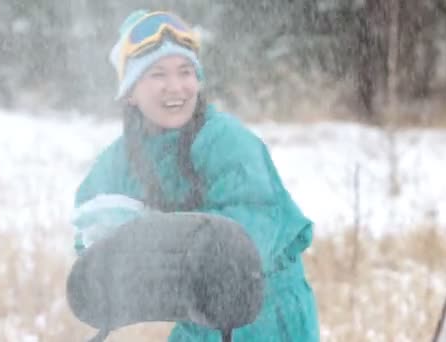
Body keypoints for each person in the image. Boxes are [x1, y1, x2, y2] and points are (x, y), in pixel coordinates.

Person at [72, 9, 320, 342]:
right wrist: (108, 251)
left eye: (185, 72)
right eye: (157, 74)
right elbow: (89, 231)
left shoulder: (227, 141)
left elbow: (246, 239)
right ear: (130, 92)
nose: (175, 87)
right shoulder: (121, 158)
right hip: (198, 312)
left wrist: (156, 243)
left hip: (265, 311)